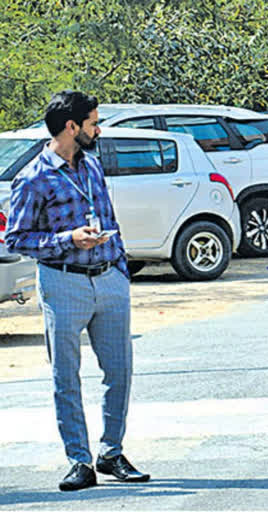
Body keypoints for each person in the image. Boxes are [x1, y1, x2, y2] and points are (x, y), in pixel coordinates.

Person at [5, 91, 150, 491]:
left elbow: (109, 217)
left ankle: (111, 452)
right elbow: (16, 238)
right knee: (66, 375)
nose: (98, 129)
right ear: (71, 127)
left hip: (109, 279)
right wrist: (68, 238)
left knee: (119, 371)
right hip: (63, 281)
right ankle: (79, 460)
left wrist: (120, 269)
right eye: (92, 122)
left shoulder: (92, 166)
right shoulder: (33, 177)